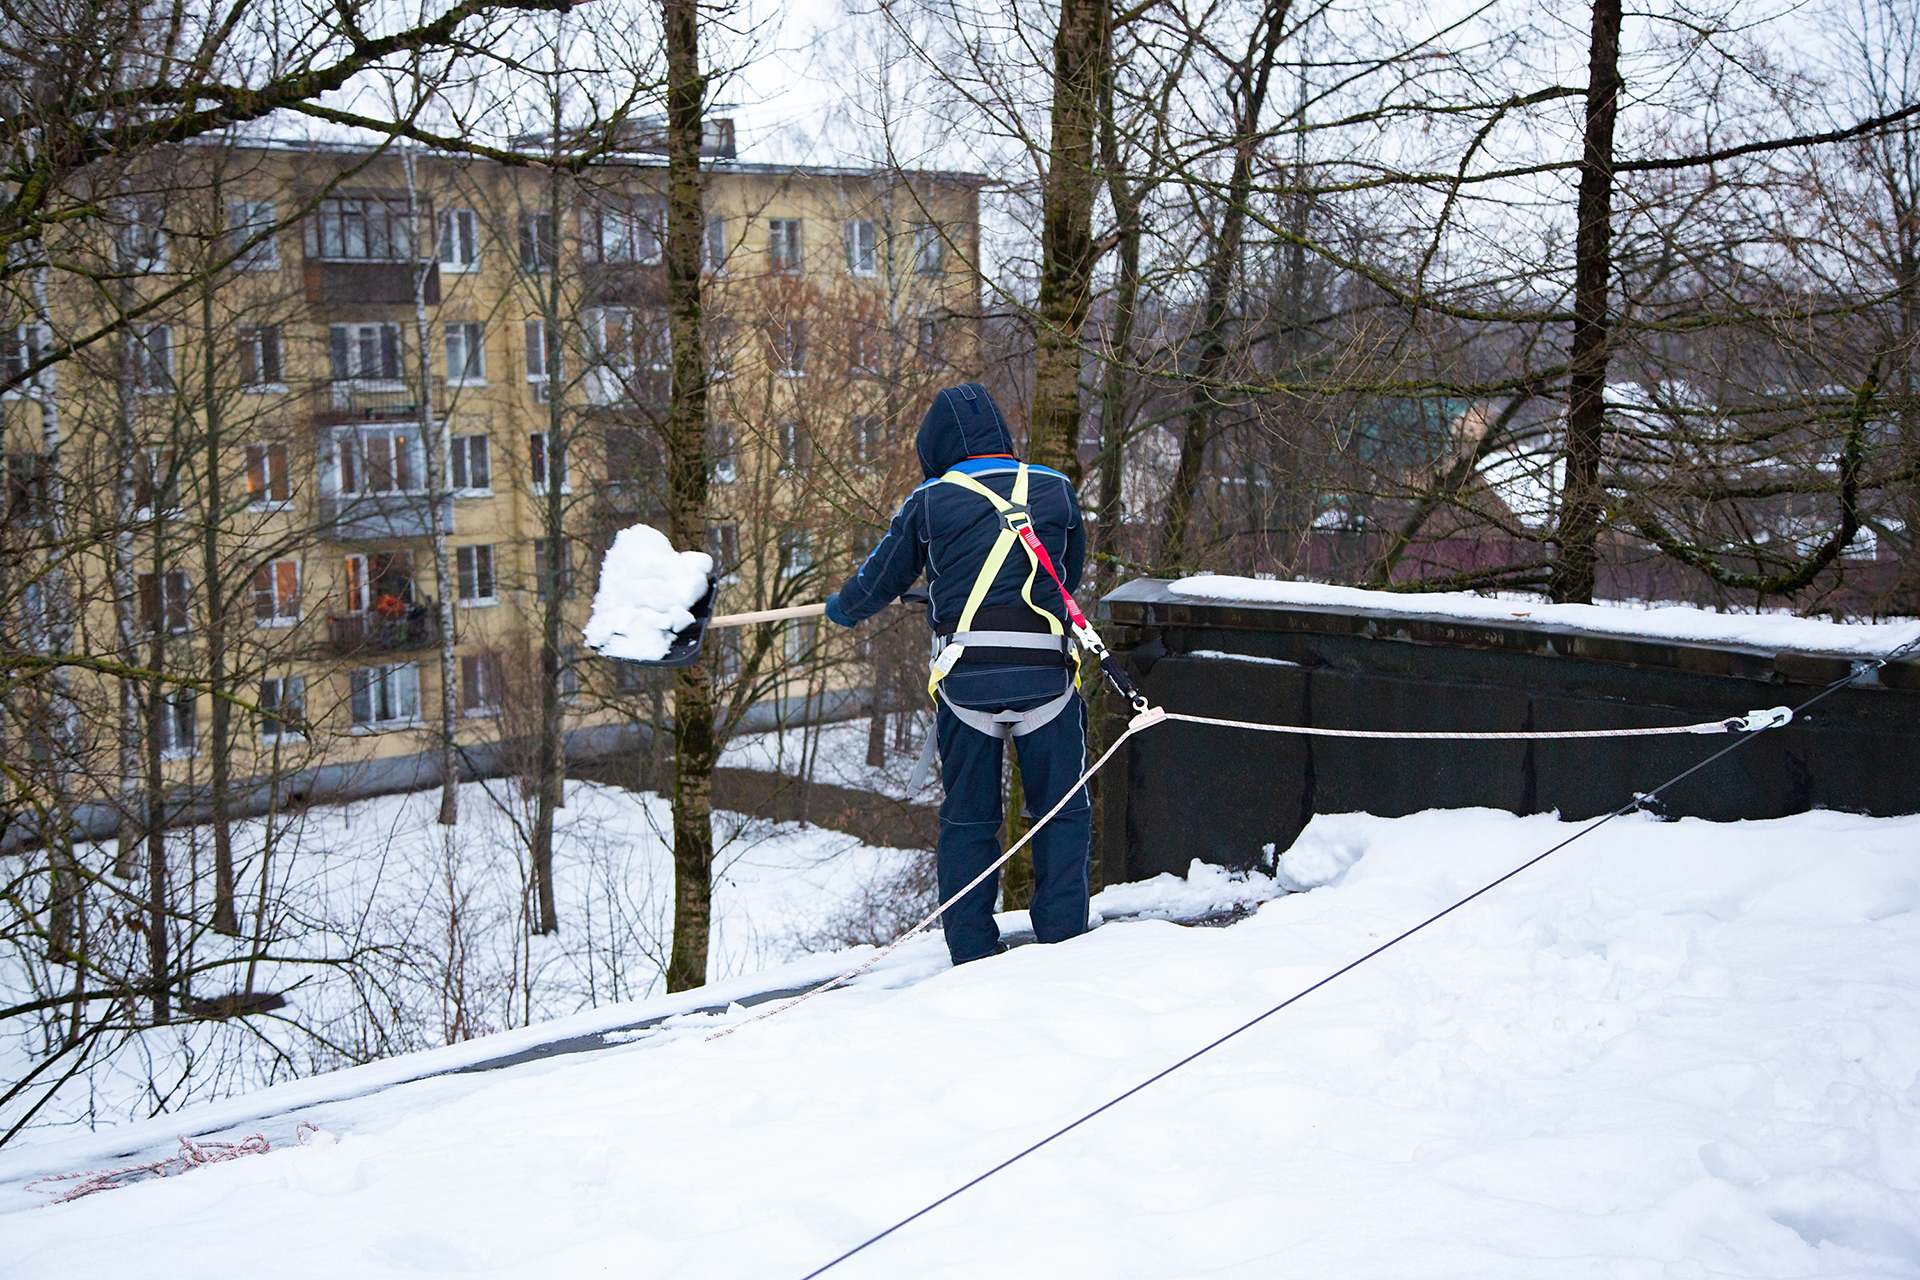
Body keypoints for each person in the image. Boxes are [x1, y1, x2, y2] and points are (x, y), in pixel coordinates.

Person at [823, 381, 1090, 965]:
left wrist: (840, 608)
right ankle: (1065, 938)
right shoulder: (1056, 489)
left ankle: (971, 949)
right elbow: (1064, 579)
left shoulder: (929, 500)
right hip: (1046, 678)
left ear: (935, 448)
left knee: (969, 819)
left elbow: (878, 582)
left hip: (968, 684)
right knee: (1061, 811)